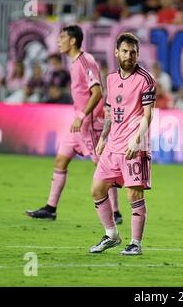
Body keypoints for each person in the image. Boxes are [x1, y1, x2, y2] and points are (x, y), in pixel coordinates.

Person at [25, 25, 122, 224]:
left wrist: (83, 115)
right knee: (61, 161)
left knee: (103, 166)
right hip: (78, 122)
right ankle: (50, 209)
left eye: (62, 37)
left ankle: (116, 212)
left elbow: (97, 93)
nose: (58, 41)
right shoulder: (75, 62)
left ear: (73, 41)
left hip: (91, 123)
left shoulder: (85, 61)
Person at [88, 32, 156, 256]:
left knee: (133, 195)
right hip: (112, 146)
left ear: (138, 54)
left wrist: (137, 140)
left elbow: (148, 116)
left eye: (133, 52)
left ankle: (136, 243)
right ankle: (111, 235)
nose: (129, 56)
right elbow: (110, 111)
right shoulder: (111, 78)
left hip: (134, 147)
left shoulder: (146, 79)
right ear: (116, 52)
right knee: (97, 189)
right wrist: (104, 137)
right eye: (125, 51)